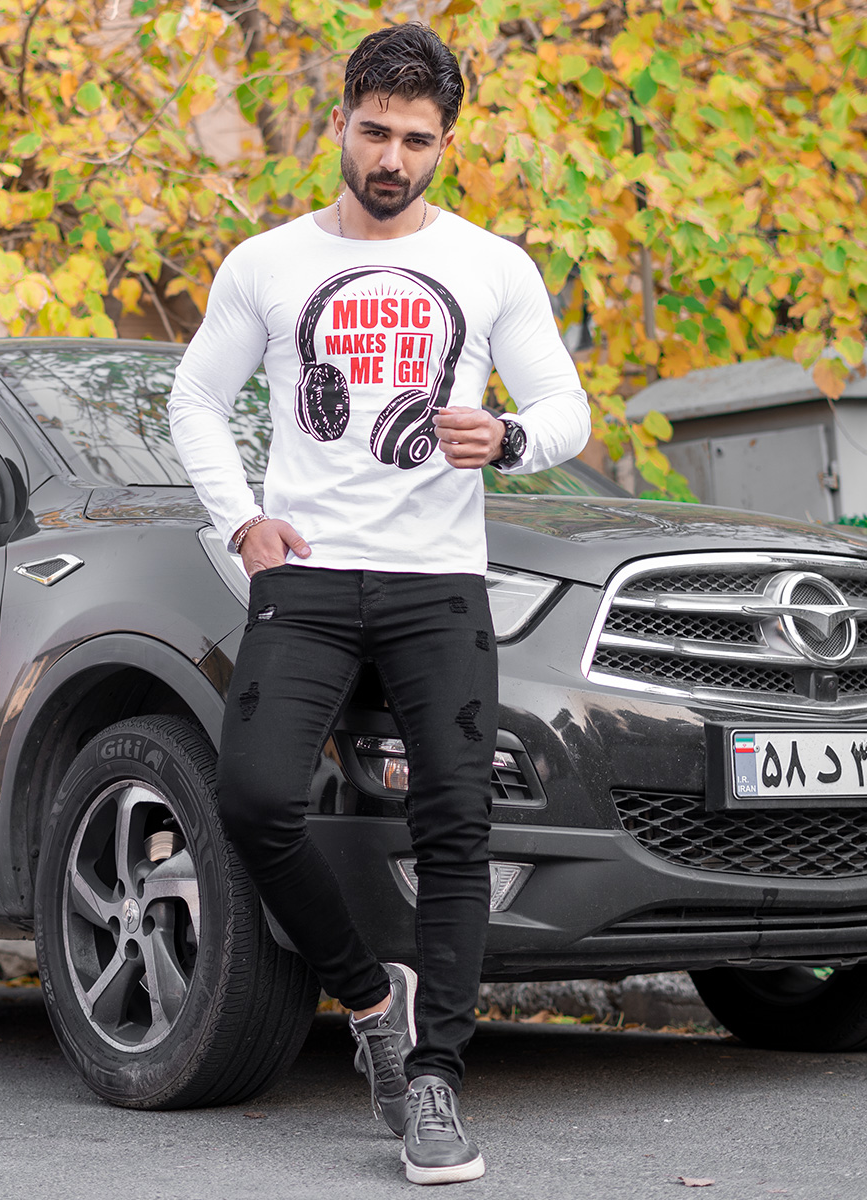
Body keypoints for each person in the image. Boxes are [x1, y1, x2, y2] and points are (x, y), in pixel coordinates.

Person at [168, 22, 589, 1186]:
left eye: (416, 139)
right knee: (253, 799)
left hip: (437, 581)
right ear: (340, 124)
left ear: (445, 144)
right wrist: (239, 521)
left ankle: (435, 1079)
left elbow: (566, 408)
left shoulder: (493, 265)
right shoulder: (267, 264)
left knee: (456, 824)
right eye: (374, 132)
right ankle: (368, 1003)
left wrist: (508, 437)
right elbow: (195, 397)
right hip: (305, 578)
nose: (391, 157)